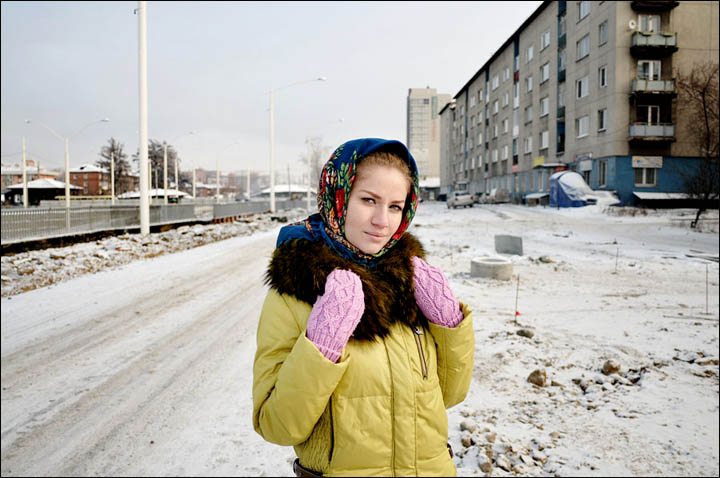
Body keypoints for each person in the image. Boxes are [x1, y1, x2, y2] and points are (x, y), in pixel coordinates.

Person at [253, 138, 474, 477]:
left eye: (395, 206)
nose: (382, 221)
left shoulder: (414, 283)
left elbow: (450, 395)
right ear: (337, 197)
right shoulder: (293, 293)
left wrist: (449, 323)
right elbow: (278, 427)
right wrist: (322, 346)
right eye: (368, 200)